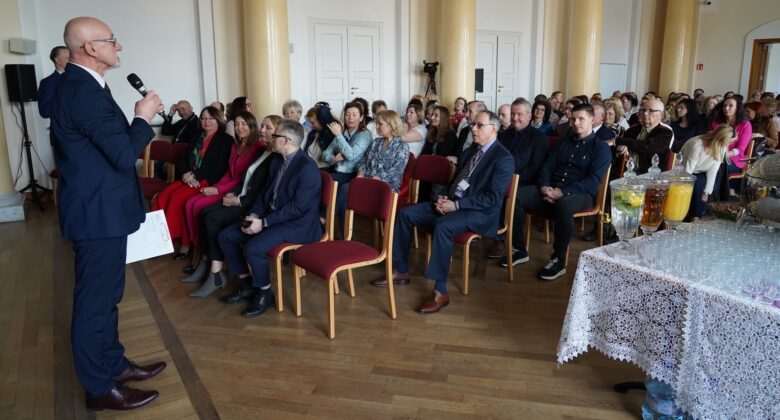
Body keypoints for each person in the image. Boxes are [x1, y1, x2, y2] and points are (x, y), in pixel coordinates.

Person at [51, 16, 166, 411]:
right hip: (96, 215)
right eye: (112, 40)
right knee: (94, 304)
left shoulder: (87, 85)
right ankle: (99, 387)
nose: (119, 47)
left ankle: (113, 364)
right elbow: (121, 153)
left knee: (108, 296)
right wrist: (143, 116)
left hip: (103, 211)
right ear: (91, 48)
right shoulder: (82, 91)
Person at [374, 111, 513, 314]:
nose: (473, 129)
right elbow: (456, 182)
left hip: (479, 212)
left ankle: (440, 292)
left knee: (443, 226)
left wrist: (456, 206)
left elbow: (491, 198)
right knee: (405, 214)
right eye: (473, 125)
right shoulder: (471, 151)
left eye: (479, 125)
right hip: (452, 202)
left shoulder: (503, 158)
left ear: (494, 129)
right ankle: (401, 270)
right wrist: (443, 198)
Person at [217, 120, 322, 318]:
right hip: (272, 217)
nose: (271, 138)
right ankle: (247, 285)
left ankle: (265, 293)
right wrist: (255, 215)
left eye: (275, 136)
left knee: (254, 248)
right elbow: (265, 195)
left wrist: (264, 223)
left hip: (297, 225)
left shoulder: (307, 168)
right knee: (227, 236)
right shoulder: (276, 159)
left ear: (286, 140)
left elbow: (297, 208)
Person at [510, 104, 611, 280]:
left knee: (564, 205)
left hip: (581, 194)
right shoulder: (564, 142)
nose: (576, 123)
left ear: (592, 120)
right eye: (573, 119)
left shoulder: (601, 148)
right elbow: (547, 167)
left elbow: (593, 181)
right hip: (552, 188)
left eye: (581, 119)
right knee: (516, 196)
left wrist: (562, 192)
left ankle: (558, 260)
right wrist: (544, 186)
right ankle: (519, 249)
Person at [181, 112, 268, 296]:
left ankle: (215, 271)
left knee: (209, 216)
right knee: (203, 212)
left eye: (244, 124)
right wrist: (219, 188)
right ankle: (206, 261)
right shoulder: (237, 145)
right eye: (237, 124)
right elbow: (231, 173)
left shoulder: (259, 148)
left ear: (252, 125)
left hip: (244, 198)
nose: (240, 127)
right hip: (235, 191)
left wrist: (221, 191)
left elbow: (246, 181)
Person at [152, 106, 233, 259]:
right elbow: (183, 159)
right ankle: (159, 240)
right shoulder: (197, 137)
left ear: (218, 120)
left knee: (177, 198)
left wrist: (194, 175)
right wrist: (185, 174)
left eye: (210, 118)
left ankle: (182, 244)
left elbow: (219, 167)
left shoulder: (226, 140)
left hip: (207, 180)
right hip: (189, 178)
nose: (206, 121)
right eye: (203, 118)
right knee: (163, 196)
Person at [493, 97, 548, 262]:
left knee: (511, 196)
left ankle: (514, 246)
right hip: (503, 180)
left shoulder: (538, 138)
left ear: (529, 116)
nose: (515, 118)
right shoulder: (505, 135)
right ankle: (493, 235)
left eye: (519, 114)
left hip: (527, 184)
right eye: (513, 114)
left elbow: (535, 169)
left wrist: (508, 182)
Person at [322, 101, 372, 235]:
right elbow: (325, 154)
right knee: (320, 177)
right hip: (338, 172)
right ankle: (339, 232)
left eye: (354, 115)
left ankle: (322, 219)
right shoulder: (343, 132)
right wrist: (333, 158)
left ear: (361, 118)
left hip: (354, 175)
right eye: (347, 114)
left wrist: (338, 135)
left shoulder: (364, 135)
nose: (350, 118)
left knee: (328, 182)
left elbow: (351, 155)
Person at [681, 125, 734, 221]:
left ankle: (696, 215)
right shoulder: (697, 145)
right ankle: (694, 217)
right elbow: (687, 171)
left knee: (703, 186)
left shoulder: (721, 148)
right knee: (696, 186)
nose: (730, 145)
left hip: (701, 172)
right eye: (729, 142)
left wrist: (706, 193)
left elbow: (713, 171)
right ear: (722, 140)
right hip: (684, 171)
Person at [357, 110, 410, 193]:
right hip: (369, 181)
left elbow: (396, 171)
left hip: (386, 186)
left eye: (380, 124)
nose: (377, 126)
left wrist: (377, 178)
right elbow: (364, 161)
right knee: (346, 188)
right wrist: (360, 173)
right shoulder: (376, 142)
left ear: (391, 125)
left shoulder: (402, 146)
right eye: (376, 123)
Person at [615, 99, 674, 174]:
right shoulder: (632, 130)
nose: (645, 113)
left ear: (660, 115)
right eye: (643, 110)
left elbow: (647, 146)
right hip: (627, 172)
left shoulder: (665, 131)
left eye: (651, 111)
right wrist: (622, 147)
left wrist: (618, 140)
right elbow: (623, 147)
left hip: (650, 175)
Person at [709, 97, 752, 174]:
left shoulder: (745, 125)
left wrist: (722, 155)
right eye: (725, 105)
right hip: (714, 155)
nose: (726, 108)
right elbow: (710, 141)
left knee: (716, 166)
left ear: (737, 108)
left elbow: (740, 150)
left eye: (731, 105)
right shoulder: (716, 123)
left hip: (735, 159)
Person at [37, 45, 69, 118]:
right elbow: (45, 112)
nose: (72, 61)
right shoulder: (47, 83)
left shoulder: (80, 78)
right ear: (57, 60)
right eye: (68, 58)